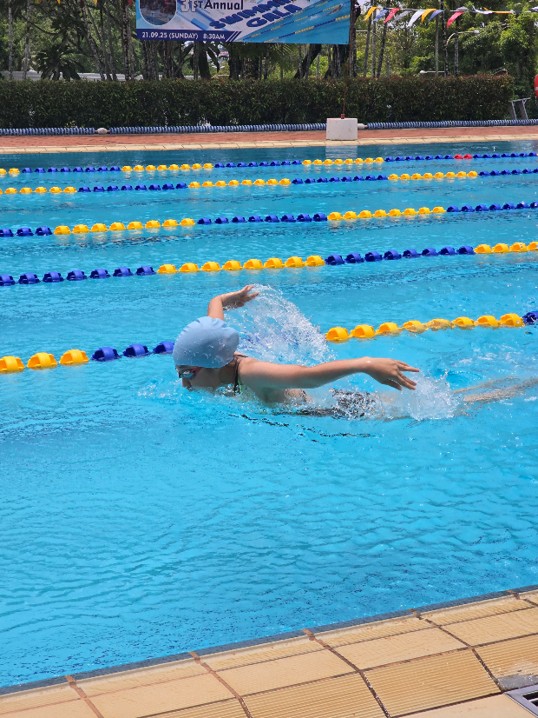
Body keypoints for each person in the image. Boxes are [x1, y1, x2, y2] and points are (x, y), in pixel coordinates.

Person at [172, 285, 419, 407]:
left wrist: (366, 364)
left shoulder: (250, 372)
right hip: (325, 403)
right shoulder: (217, 352)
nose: (184, 383)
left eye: (187, 373)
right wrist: (219, 300)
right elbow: (213, 325)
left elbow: (306, 376)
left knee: (406, 408)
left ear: (214, 365)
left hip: (332, 411)